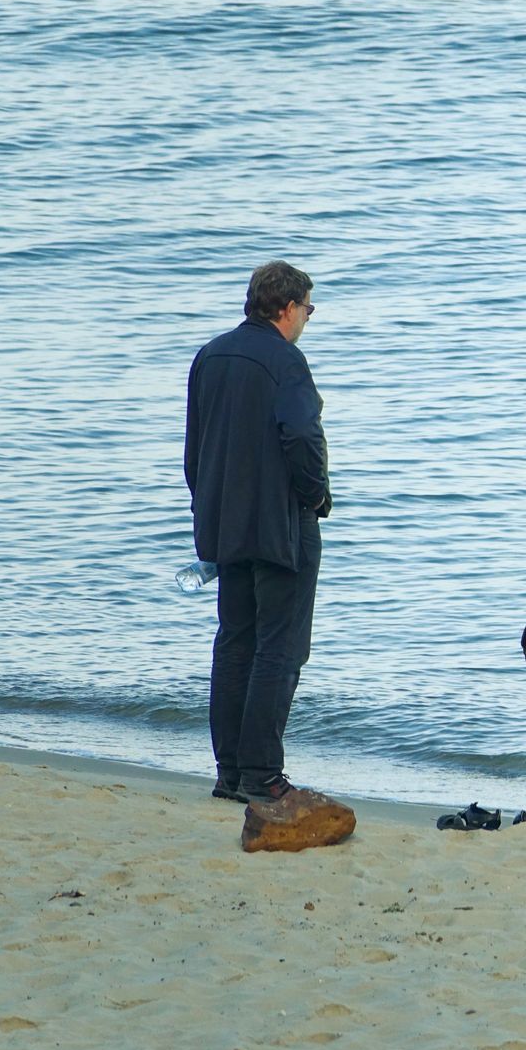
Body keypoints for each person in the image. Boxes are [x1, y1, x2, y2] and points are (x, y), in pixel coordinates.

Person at [184, 261, 330, 804]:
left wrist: (208, 507)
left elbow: (194, 448)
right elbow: (302, 437)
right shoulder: (286, 360)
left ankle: (230, 772)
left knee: (234, 642)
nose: (307, 321)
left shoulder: (211, 355)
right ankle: (263, 773)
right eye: (308, 310)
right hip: (278, 525)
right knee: (280, 647)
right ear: (287, 308)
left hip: (223, 522)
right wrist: (314, 496)